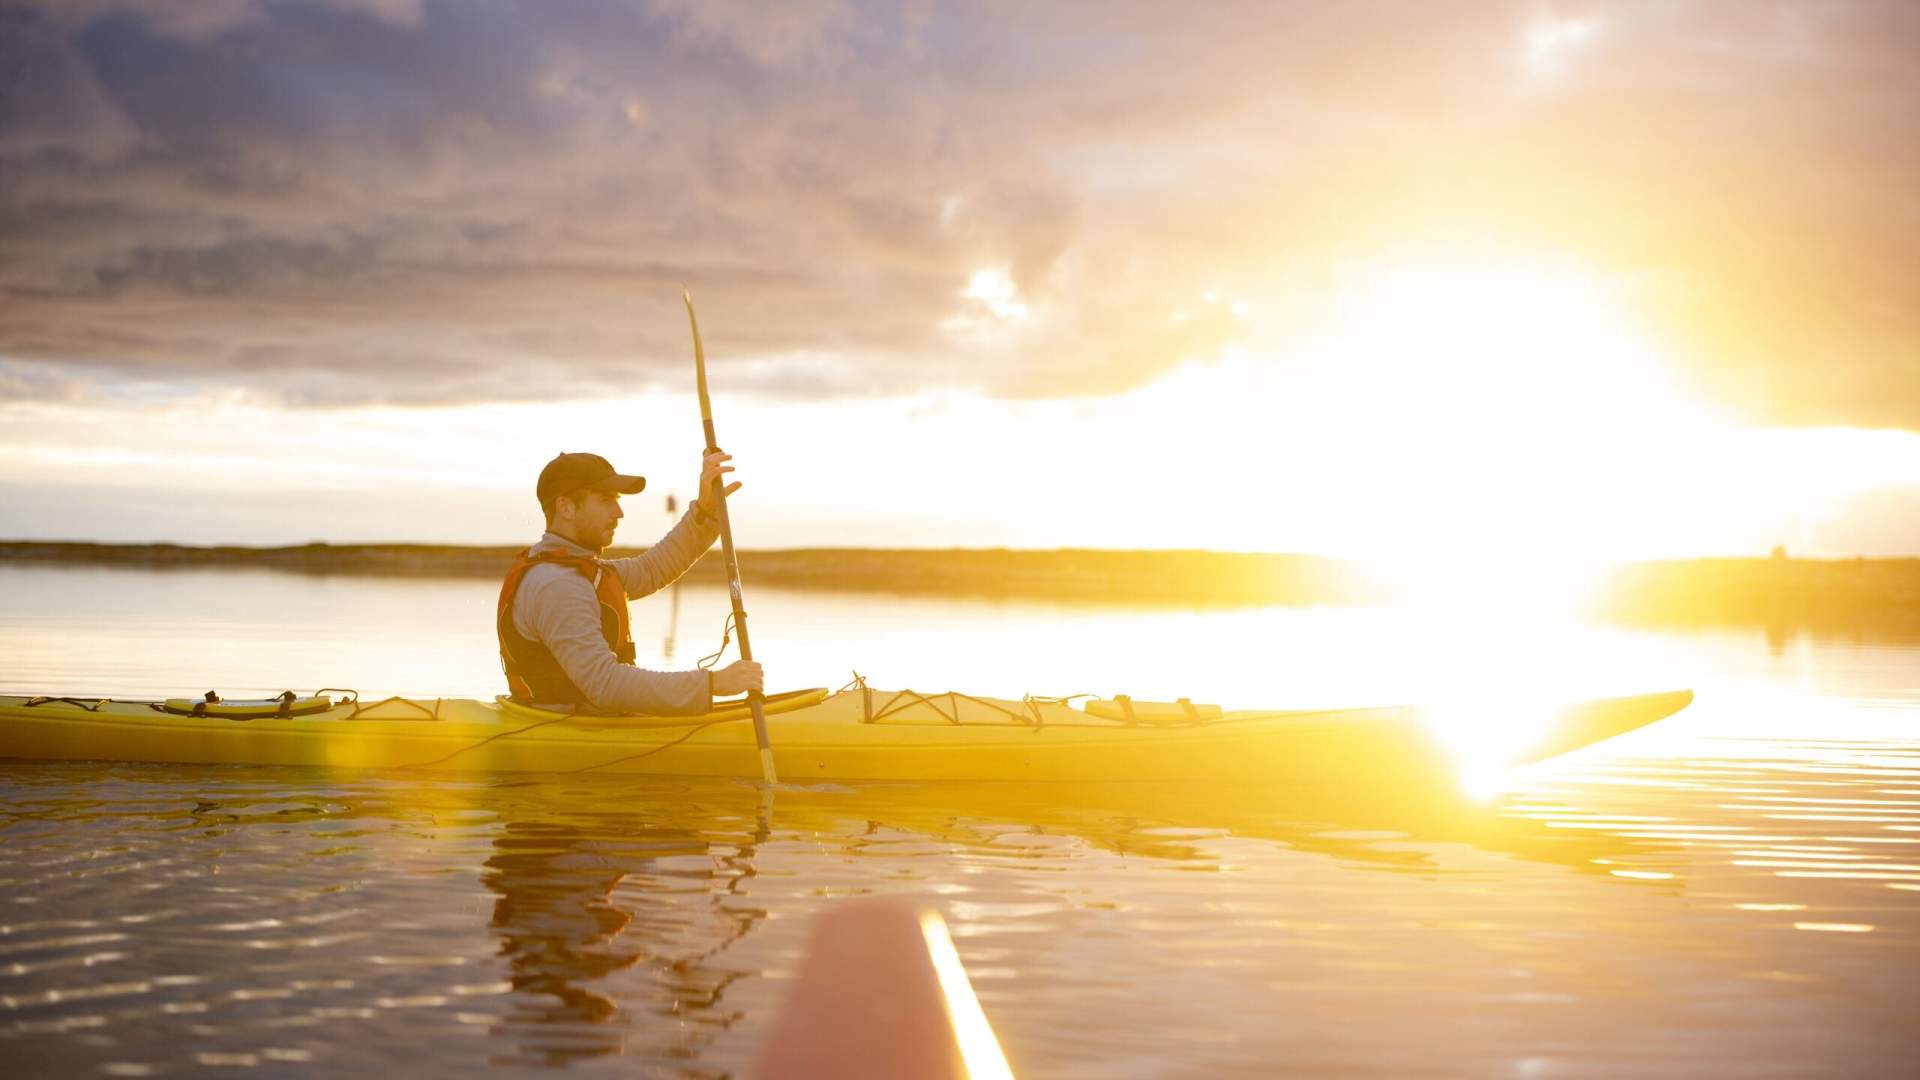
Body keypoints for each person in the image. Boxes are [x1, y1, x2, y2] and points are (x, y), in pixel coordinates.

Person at [497, 450, 763, 714]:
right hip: (566, 734)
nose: (619, 512)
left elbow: (651, 569)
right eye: (605, 500)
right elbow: (605, 683)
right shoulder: (556, 585)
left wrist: (705, 512)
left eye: (616, 500)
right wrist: (712, 683)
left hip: (599, 725)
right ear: (566, 507)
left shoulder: (583, 572)